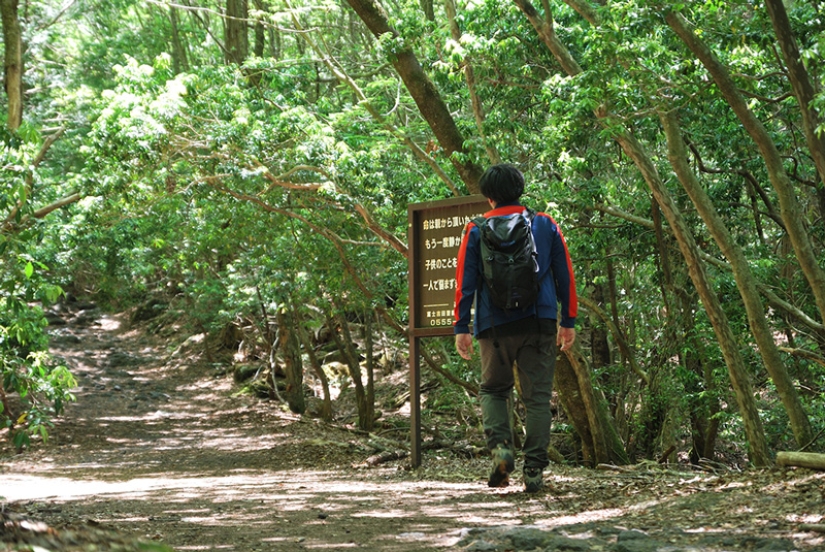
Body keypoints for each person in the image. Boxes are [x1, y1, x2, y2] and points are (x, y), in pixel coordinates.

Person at [453, 164, 577, 493]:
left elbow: (464, 281)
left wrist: (461, 325)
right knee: (537, 398)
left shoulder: (475, 229)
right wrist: (568, 321)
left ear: (489, 196)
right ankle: (534, 471)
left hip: (493, 327)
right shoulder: (544, 223)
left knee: (494, 390)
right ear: (520, 189)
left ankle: (502, 451)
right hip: (540, 321)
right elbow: (565, 273)